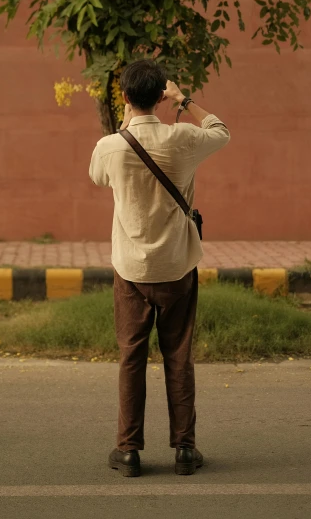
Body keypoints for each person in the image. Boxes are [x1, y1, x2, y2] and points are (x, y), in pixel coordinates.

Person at [89, 59, 230, 477]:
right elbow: (221, 131)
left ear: (126, 98)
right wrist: (184, 100)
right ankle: (185, 450)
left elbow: (98, 178)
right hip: (177, 266)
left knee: (131, 358)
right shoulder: (183, 137)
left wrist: (125, 125)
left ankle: (128, 451)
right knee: (178, 357)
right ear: (160, 97)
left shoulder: (110, 147)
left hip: (131, 269)